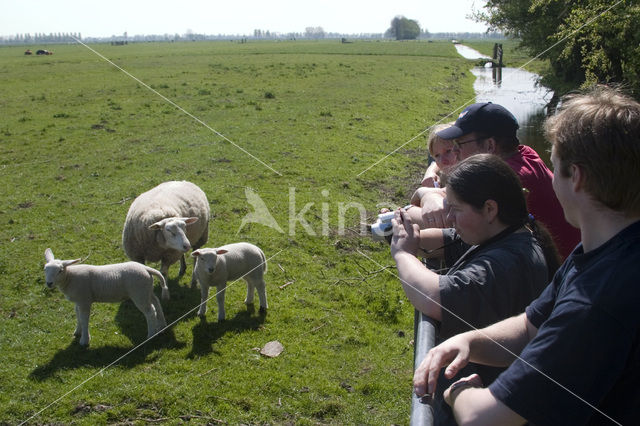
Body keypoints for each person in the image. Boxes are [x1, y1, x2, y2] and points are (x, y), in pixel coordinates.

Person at [413, 86, 640, 425]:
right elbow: (531, 325)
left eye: (556, 166)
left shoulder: (595, 300)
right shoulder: (602, 250)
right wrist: (469, 341)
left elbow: (483, 418)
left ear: (575, 177)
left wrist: (458, 392)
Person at [391, 153, 560, 425]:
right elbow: (444, 239)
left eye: (455, 209)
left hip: (487, 399)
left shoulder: (506, 262)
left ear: (490, 209)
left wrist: (403, 256)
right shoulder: (509, 233)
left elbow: (436, 297)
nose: (448, 218)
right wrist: (411, 238)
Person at [412, 102, 580, 259]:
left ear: (490, 146)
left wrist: (423, 194)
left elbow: (445, 216)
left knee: (411, 219)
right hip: (557, 263)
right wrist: (428, 192)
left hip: (551, 277)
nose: (455, 150)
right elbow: (447, 196)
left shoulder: (503, 179)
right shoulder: (526, 154)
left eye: (460, 143)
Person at [421, 123, 458, 188]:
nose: (442, 160)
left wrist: (420, 193)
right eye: (437, 155)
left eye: (448, 151)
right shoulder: (442, 181)